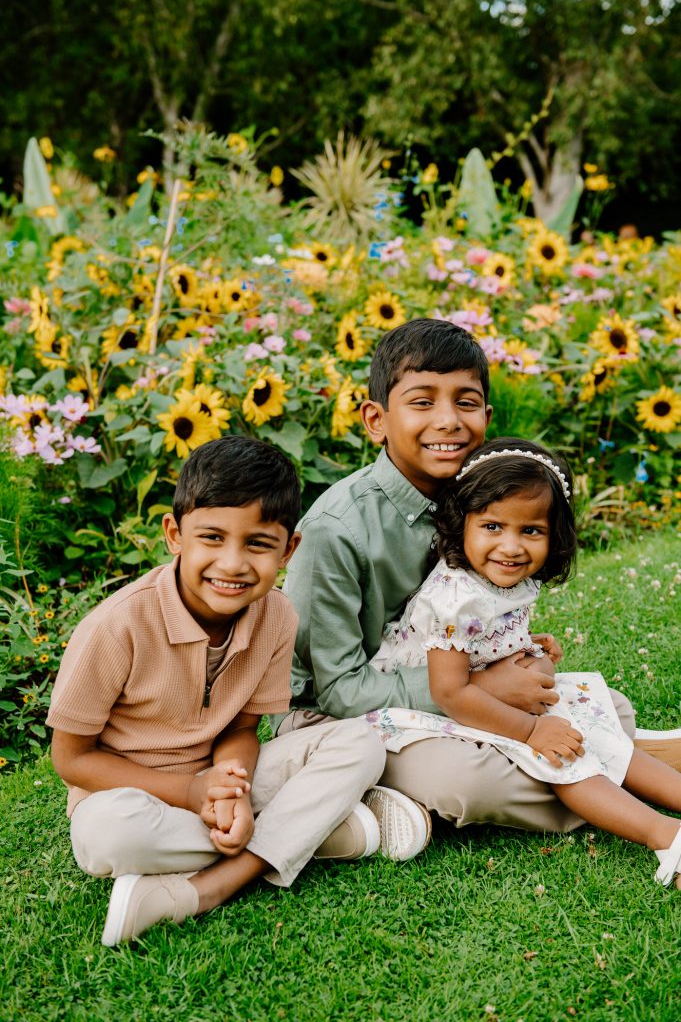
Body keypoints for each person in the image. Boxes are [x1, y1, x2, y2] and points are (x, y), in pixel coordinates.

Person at [278, 317, 681, 836]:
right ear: (376, 419)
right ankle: (621, 767)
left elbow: (460, 618)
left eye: (465, 403)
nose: (447, 421)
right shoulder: (336, 530)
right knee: (466, 782)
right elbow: (337, 692)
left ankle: (612, 753)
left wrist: (509, 654)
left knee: (596, 703)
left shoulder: (480, 496)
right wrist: (482, 685)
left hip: (446, 699)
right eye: (422, 402)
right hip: (342, 721)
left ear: (486, 416)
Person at [47, 435, 428, 947]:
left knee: (358, 741)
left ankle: (211, 886)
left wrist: (234, 788)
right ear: (174, 534)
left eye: (257, 543)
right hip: (134, 796)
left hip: (227, 785)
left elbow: (244, 728)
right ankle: (322, 834)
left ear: (289, 549)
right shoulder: (117, 627)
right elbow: (72, 759)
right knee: (103, 836)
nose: (232, 564)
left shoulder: (277, 616)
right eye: (211, 538)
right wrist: (189, 792)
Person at [367, 437, 681, 886]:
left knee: (595, 728)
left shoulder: (501, 576)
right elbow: (447, 691)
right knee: (561, 757)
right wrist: (533, 732)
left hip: (485, 687)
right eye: (492, 527)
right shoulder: (455, 596)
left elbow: (483, 638)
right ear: (462, 524)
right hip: (418, 713)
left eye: (530, 531)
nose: (511, 547)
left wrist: (525, 643)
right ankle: (665, 836)